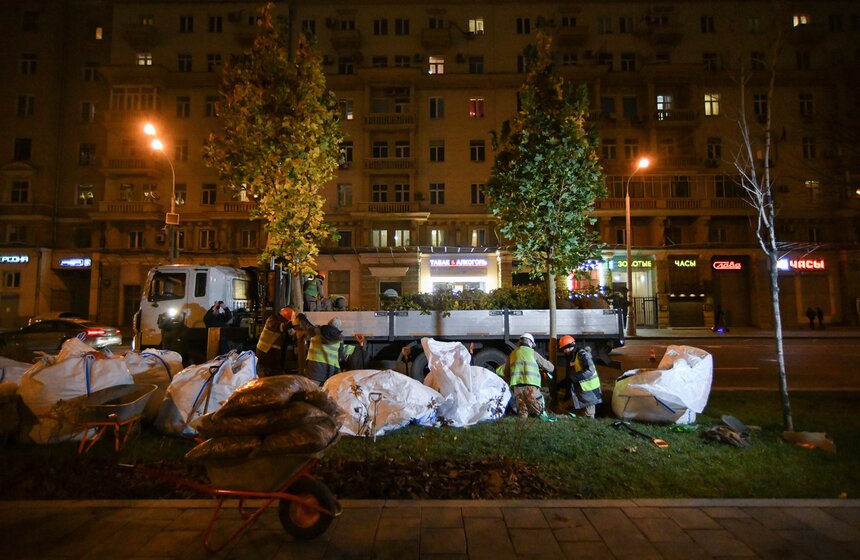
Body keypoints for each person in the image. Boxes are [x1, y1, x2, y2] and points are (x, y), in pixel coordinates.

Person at [503, 333, 554, 418]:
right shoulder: (533, 353)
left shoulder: (512, 354)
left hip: (517, 388)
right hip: (531, 388)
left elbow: (506, 372)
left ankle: (522, 428)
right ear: (530, 342)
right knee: (540, 413)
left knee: (522, 413)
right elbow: (550, 368)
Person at [557, 335, 602, 418]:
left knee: (589, 414)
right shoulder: (572, 356)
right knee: (583, 415)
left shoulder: (582, 354)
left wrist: (573, 378)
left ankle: (591, 428)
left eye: (564, 349)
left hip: (590, 390)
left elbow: (589, 371)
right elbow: (571, 375)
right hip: (583, 391)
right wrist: (563, 384)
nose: (563, 351)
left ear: (569, 347)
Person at [256, 307, 297, 375]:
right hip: (265, 351)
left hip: (272, 351)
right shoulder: (272, 320)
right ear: (284, 318)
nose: (287, 322)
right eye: (287, 320)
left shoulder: (282, 322)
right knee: (272, 371)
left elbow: (290, 333)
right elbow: (281, 327)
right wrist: (292, 324)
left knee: (274, 371)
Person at [303, 317, 345, 384]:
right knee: (329, 390)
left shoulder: (316, 331)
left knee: (313, 390)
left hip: (315, 366)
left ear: (328, 323)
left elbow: (306, 328)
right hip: (332, 368)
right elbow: (341, 357)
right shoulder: (340, 338)